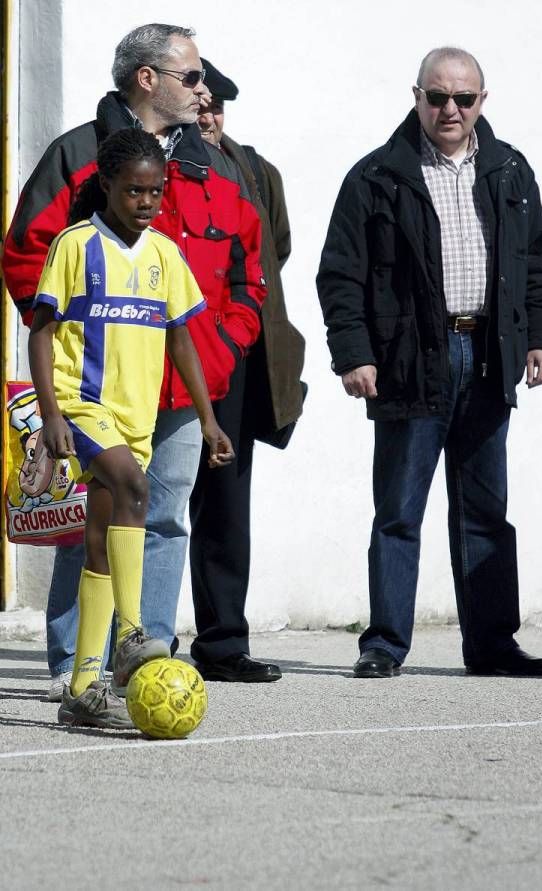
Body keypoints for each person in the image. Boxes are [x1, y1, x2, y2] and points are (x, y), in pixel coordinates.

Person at [1, 23, 265, 700]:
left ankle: (141, 650)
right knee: (94, 511)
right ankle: (74, 658)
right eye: (192, 77)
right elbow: (29, 252)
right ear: (147, 78)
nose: (204, 91)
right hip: (96, 382)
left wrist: (223, 343)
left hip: (181, 380)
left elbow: (248, 270)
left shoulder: (214, 161)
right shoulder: (80, 154)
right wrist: (70, 338)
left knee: (164, 514)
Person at [316, 47, 542, 679]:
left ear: (483, 101)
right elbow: (339, 276)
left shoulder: (510, 170)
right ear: (417, 96)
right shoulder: (376, 175)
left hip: (488, 356)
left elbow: (536, 263)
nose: (450, 109)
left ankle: (490, 645)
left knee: (484, 512)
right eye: (437, 97)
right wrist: (354, 354)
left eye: (464, 98)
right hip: (408, 360)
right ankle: (384, 644)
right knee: (399, 511)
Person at [28, 128, 233, 728]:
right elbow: (41, 331)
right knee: (136, 491)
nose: (146, 202)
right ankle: (131, 632)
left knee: (98, 543)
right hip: (83, 404)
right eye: (133, 191)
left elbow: (182, 336)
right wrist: (51, 415)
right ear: (108, 188)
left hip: (138, 417)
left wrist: (208, 417)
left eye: (155, 191)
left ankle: (83, 689)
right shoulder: (74, 246)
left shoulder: (165, 255)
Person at [176, 59, 305, 681]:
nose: (208, 118)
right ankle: (136, 640)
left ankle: (224, 643)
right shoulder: (155, 166)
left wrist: (233, 334)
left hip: (234, 360)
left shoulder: (256, 170)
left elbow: (269, 252)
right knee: (152, 500)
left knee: (226, 503)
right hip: (167, 358)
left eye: (217, 109)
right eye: (200, 106)